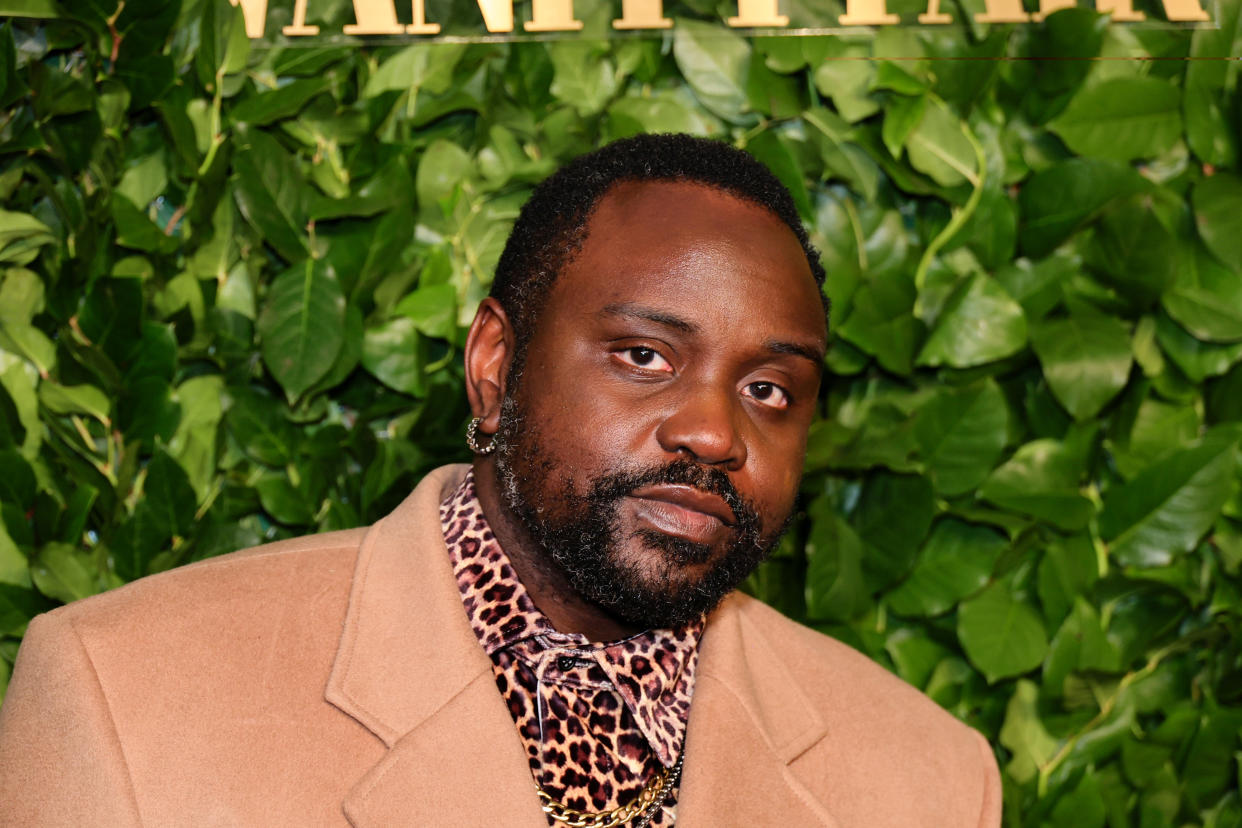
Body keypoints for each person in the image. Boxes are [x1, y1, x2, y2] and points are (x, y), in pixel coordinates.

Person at [0, 134, 1001, 826]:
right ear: (493, 366)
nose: (713, 430)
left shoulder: (927, 779)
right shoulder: (125, 698)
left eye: (772, 389)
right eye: (645, 356)